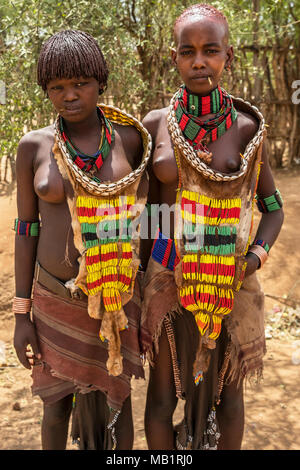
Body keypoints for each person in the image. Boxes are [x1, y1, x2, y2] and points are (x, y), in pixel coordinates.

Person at [140, 3, 284, 450]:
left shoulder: (245, 129)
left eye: (210, 50)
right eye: (188, 51)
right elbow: (147, 213)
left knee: (229, 395)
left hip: (232, 277)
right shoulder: (155, 126)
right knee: (161, 397)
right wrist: (137, 277)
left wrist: (253, 260)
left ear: (228, 56)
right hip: (168, 273)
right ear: (174, 58)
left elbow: (273, 207)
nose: (199, 61)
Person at [13, 30, 151, 450]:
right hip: (54, 299)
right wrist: (22, 314)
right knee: (55, 407)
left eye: (80, 84)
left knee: (117, 403)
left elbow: (146, 218)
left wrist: (143, 285)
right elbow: (26, 228)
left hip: (116, 295)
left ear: (101, 82)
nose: (69, 96)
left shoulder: (131, 139)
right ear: (46, 90)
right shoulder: (33, 146)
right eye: (57, 87)